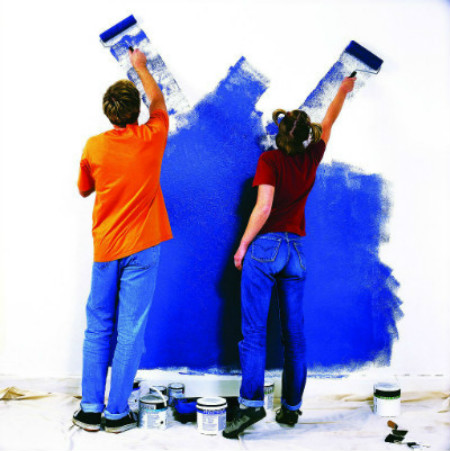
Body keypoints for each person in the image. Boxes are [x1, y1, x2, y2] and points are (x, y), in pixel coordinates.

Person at [223, 76, 356, 439]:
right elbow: (329, 121)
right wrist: (342, 91)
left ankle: (251, 406)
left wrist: (242, 246)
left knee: (254, 333)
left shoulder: (270, 159)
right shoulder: (312, 157)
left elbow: (263, 208)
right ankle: (292, 409)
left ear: (280, 133)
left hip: (266, 249)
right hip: (295, 252)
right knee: (294, 337)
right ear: (305, 137)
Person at [72, 48, 172, 433]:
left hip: (106, 249)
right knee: (130, 329)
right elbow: (159, 103)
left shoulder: (94, 146)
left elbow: (84, 189)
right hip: (143, 248)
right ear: (136, 111)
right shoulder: (153, 135)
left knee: (98, 326)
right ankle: (116, 414)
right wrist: (140, 67)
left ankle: (89, 410)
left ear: (108, 112)